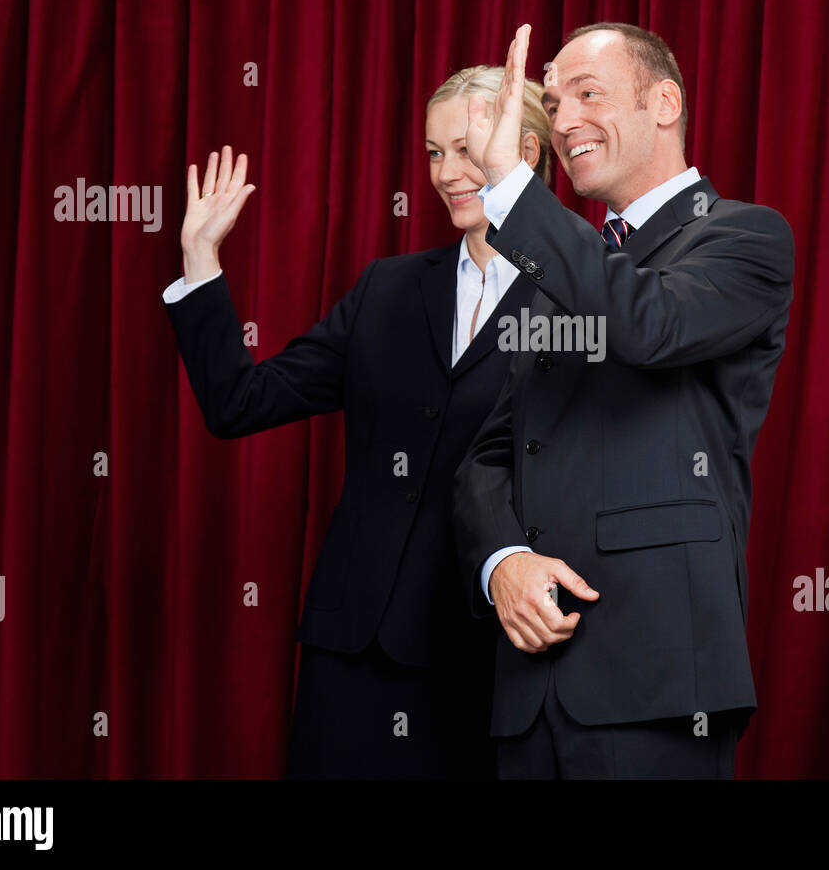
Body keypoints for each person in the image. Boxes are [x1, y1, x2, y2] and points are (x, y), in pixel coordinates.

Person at [162, 65, 552, 777]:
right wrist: (200, 261)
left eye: (467, 149)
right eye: (435, 153)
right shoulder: (386, 287)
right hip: (350, 654)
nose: (447, 173)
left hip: (484, 659)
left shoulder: (579, 305)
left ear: (526, 151)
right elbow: (239, 403)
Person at [454, 23, 795, 778]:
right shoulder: (561, 273)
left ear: (664, 102)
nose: (563, 118)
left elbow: (649, 325)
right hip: (529, 693)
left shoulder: (745, 240)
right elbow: (491, 451)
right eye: (551, 100)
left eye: (587, 94)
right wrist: (502, 560)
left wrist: (509, 185)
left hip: (658, 682)